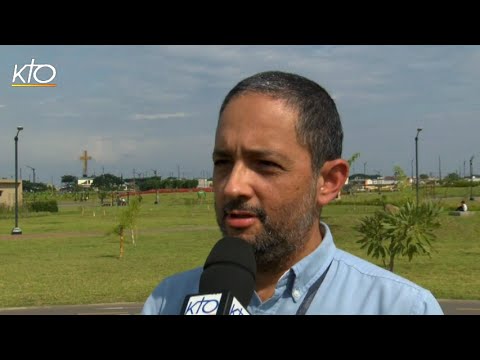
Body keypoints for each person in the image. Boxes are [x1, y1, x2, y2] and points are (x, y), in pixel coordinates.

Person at [142, 70, 444, 315]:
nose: (233, 186)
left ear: (328, 181)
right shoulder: (168, 302)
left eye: (265, 165)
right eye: (223, 162)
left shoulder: (399, 308)